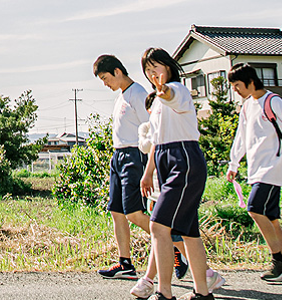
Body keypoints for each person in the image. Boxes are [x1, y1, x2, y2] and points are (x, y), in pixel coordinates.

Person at [92, 54, 194, 285]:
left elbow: (153, 129)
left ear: (118, 71)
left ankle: (176, 247)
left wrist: (151, 167)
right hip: (118, 156)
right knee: (116, 211)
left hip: (134, 157)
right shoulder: (121, 97)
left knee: (134, 213)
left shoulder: (138, 94)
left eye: (106, 78)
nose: (105, 84)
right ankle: (125, 264)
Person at [135, 47, 221, 300]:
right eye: (148, 71)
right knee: (188, 231)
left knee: (158, 226)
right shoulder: (158, 101)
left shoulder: (178, 90)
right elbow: (156, 142)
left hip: (183, 159)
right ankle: (202, 293)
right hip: (167, 160)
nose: (152, 74)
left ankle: (164, 292)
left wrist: (165, 90)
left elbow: (173, 95)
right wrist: (148, 172)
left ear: (169, 67)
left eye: (156, 68)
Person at [225, 63, 282, 283]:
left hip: (273, 167)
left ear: (251, 81)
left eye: (238, 85)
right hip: (257, 168)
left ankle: (279, 261)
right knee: (271, 217)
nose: (236, 90)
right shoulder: (247, 105)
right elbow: (241, 136)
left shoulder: (272, 101)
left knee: (254, 208)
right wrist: (233, 164)